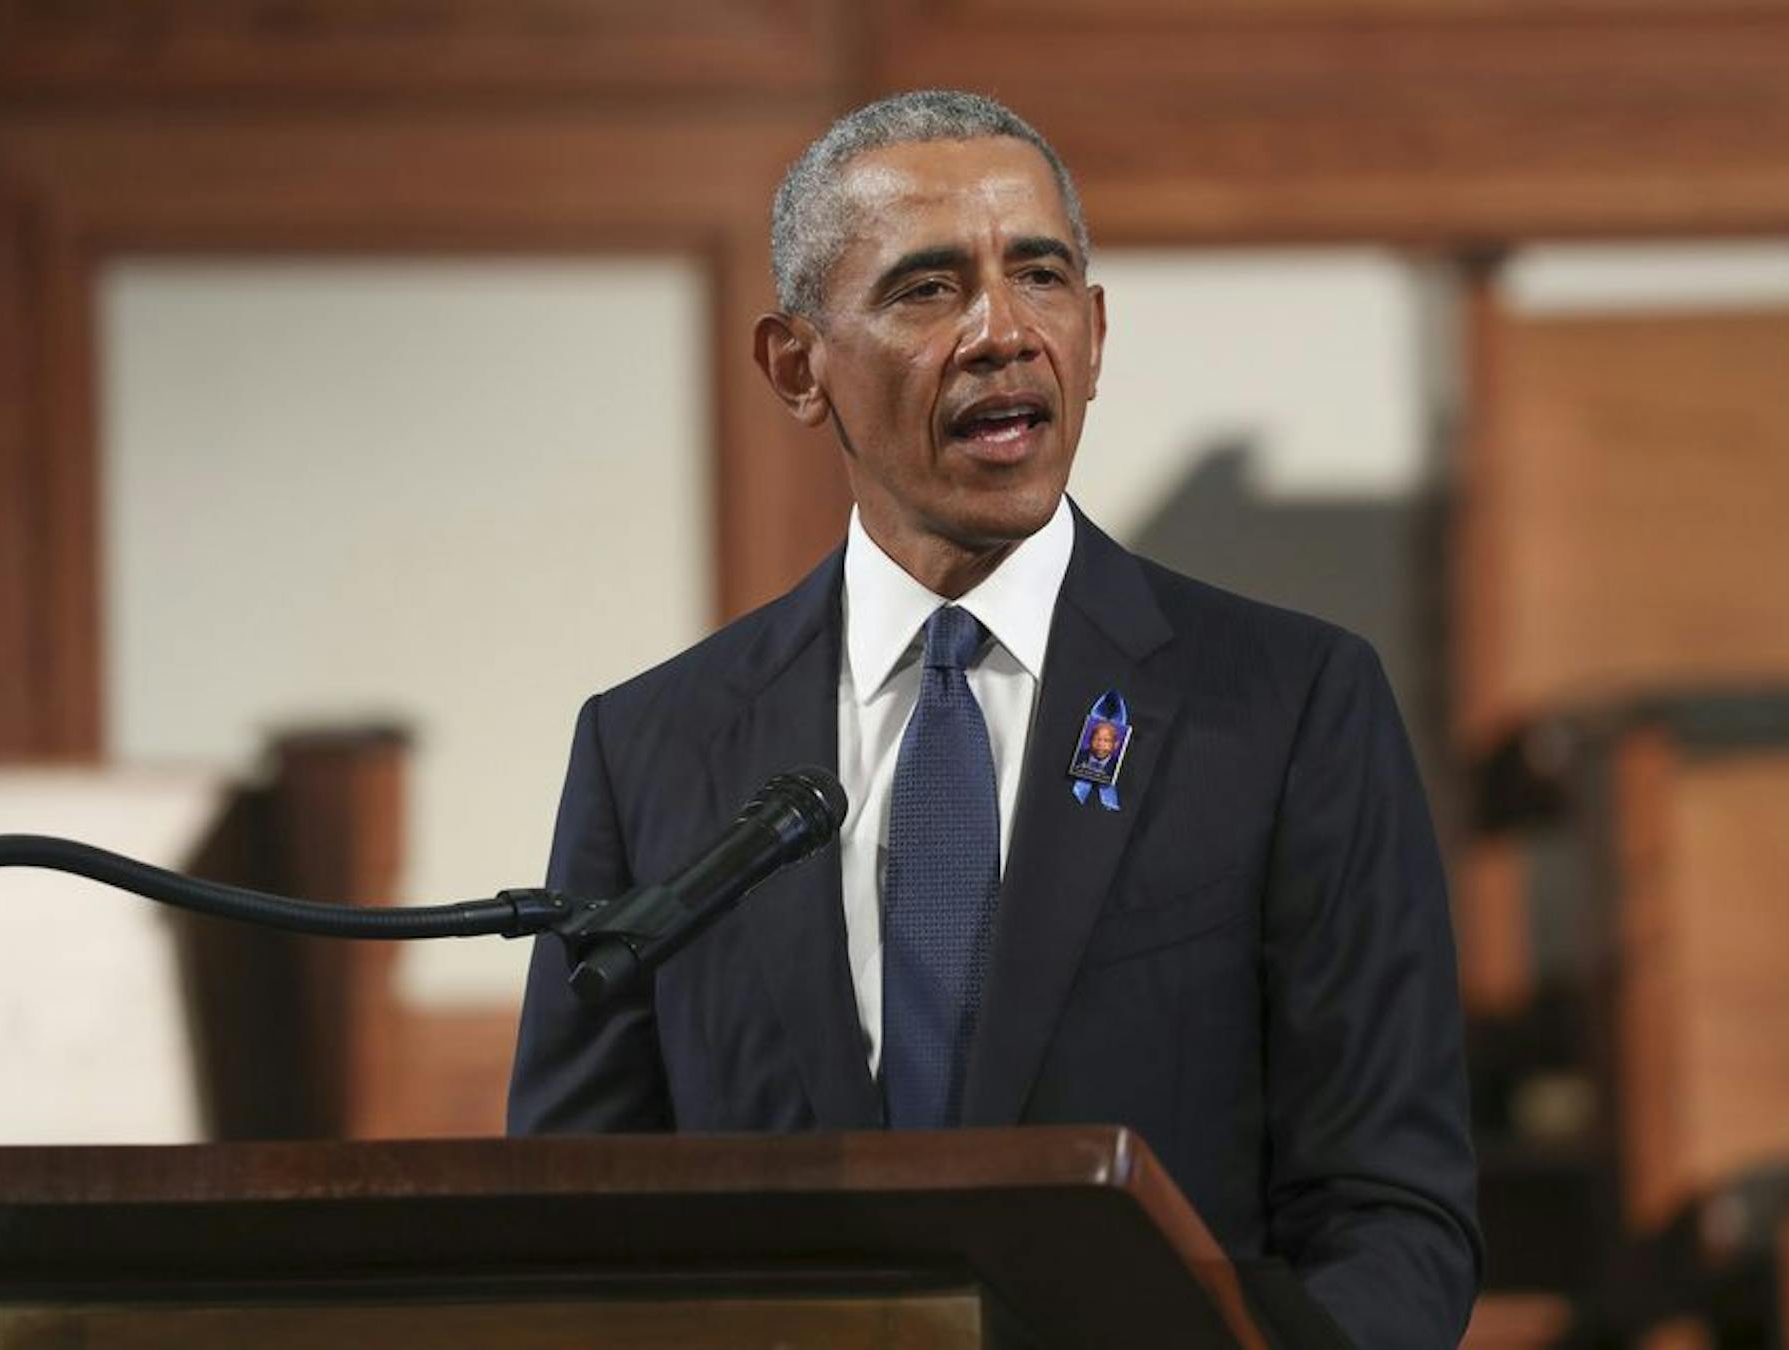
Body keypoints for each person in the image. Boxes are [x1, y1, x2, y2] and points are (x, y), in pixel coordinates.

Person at [509, 90, 1481, 1348]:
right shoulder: (651, 750)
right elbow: (573, 1227)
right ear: (797, 368)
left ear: (1097, 331)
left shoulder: (1285, 707)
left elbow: (1393, 1216)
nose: (1003, 332)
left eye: (1041, 275)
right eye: (927, 289)